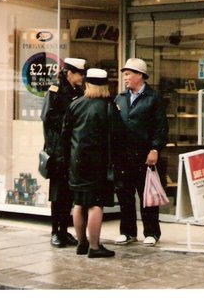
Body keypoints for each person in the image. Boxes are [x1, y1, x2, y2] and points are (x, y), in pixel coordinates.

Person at [61, 68, 119, 258]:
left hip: (76, 162)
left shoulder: (75, 104)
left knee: (79, 203)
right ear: (105, 86)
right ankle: (94, 247)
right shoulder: (109, 107)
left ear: (87, 84)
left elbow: (65, 135)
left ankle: (81, 244)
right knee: (95, 205)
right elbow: (117, 136)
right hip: (98, 163)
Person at [113, 58, 168, 247]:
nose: (125, 78)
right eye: (125, 74)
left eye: (128, 74)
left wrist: (155, 148)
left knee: (148, 196)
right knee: (125, 195)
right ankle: (127, 232)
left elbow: (161, 127)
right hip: (123, 156)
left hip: (145, 155)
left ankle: (152, 232)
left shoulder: (154, 98)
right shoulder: (120, 97)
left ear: (140, 76)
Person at [40, 57, 86, 248]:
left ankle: (64, 230)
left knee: (67, 194)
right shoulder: (56, 90)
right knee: (58, 193)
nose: (82, 77)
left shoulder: (78, 90)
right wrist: (69, 124)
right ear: (69, 73)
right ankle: (55, 232)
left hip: (71, 149)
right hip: (58, 149)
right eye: (79, 73)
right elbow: (48, 117)